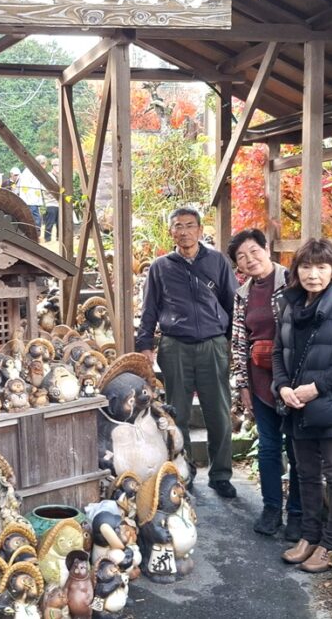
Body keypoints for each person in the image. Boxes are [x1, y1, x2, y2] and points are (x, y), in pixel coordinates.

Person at [272, 238, 332, 573]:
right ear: (296, 270)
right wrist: (282, 387)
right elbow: (278, 353)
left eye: (321, 267)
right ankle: (309, 537)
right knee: (306, 474)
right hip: (297, 406)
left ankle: (331, 544)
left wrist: (314, 388)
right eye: (306, 266)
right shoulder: (288, 306)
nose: (313, 275)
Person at [136, 208, 238, 497]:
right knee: (177, 414)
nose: (184, 231)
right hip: (175, 345)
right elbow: (149, 308)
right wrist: (145, 344)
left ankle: (221, 474)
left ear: (200, 229)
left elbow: (232, 303)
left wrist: (231, 343)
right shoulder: (160, 267)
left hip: (212, 344)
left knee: (218, 413)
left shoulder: (217, 261)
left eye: (189, 225)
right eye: (178, 226)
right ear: (171, 232)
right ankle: (183, 471)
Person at [228, 229, 302, 541]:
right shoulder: (242, 294)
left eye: (254, 251)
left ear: (266, 249)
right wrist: (243, 386)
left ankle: (297, 513)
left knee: (298, 448)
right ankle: (272, 508)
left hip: (295, 380)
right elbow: (239, 342)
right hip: (260, 380)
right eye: (241, 257)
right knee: (269, 447)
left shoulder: (293, 282)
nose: (250, 260)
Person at [17, 157, 47, 233]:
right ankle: (35, 233)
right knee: (34, 218)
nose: (44, 167)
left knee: (34, 217)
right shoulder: (30, 172)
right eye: (43, 164)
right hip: (30, 200)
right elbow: (27, 187)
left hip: (31, 200)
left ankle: (35, 232)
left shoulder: (32, 171)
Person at [40, 160, 60, 242]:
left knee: (60, 223)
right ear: (53, 166)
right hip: (50, 203)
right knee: (49, 223)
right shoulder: (49, 176)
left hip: (59, 204)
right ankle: (47, 239)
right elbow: (45, 189)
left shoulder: (59, 177)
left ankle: (59, 238)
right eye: (57, 166)